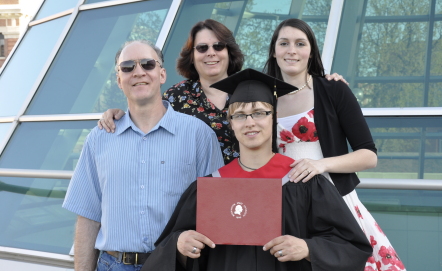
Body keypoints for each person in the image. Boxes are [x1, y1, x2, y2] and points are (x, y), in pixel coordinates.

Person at [139, 69, 373, 271]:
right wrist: (179, 245)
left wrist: (309, 249)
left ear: (274, 119)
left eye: (260, 113)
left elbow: (351, 247)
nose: (250, 122)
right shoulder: (210, 188)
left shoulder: (303, 183)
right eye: (239, 115)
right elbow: (165, 252)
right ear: (230, 122)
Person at [266, 19, 416, 271]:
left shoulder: (333, 90)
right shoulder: (263, 99)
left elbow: (368, 155)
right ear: (273, 51)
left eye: (301, 43)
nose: (292, 50)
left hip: (335, 200)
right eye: (283, 43)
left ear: (311, 51)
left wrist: (320, 165)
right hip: (286, 205)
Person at [62, 40, 223, 271]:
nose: (137, 72)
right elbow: (88, 216)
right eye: (127, 67)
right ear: (118, 79)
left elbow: (216, 210)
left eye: (147, 64)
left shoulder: (198, 136)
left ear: (161, 74)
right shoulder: (99, 138)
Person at [97, 19, 346, 167]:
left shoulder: (253, 88)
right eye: (202, 48)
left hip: (251, 186)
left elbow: (295, 98)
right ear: (192, 56)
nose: (211, 53)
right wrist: (117, 112)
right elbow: (147, 117)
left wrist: (326, 83)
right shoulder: (176, 96)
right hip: (194, 190)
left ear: (229, 52)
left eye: (218, 46)